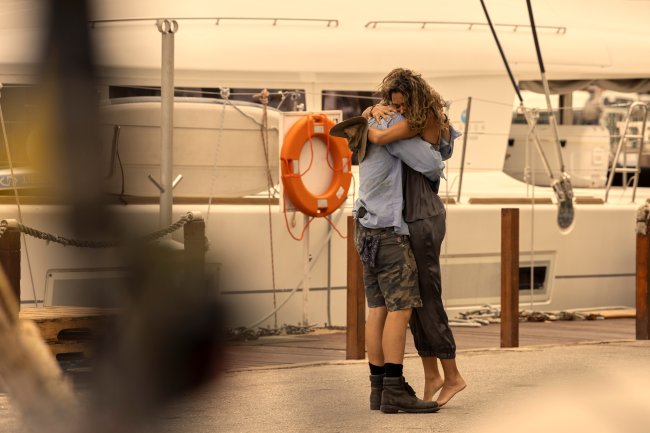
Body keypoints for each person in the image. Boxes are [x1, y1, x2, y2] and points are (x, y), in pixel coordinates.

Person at [361, 68, 466, 407]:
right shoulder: (402, 120)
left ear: (415, 100)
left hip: (418, 216)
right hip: (405, 218)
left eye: (403, 105)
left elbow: (435, 163)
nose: (398, 110)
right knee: (412, 301)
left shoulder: (418, 122)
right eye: (394, 104)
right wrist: (370, 114)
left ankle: (448, 376)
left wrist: (372, 122)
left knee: (424, 298)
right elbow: (440, 154)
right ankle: (431, 375)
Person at [330, 113, 444, 414]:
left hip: (365, 228)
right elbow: (432, 164)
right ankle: (394, 387)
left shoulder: (369, 122)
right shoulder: (392, 127)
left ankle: (378, 388)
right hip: (388, 232)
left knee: (378, 308)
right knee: (400, 310)